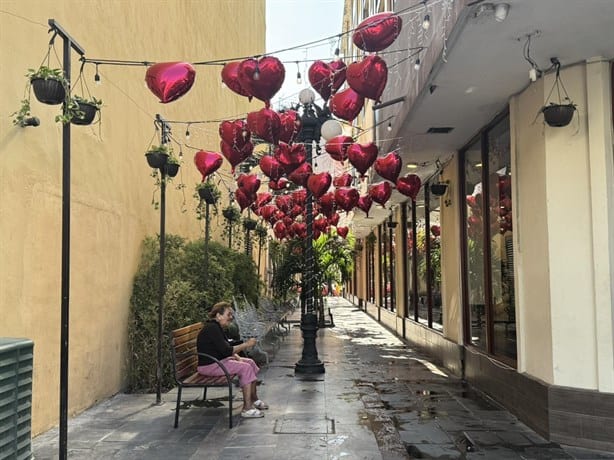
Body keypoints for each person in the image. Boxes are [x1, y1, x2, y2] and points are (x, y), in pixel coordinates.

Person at [196, 301, 268, 418]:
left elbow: (224, 346)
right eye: (228, 314)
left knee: (250, 362)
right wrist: (246, 345)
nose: (231, 318)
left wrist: (239, 357)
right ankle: (247, 409)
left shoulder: (217, 327)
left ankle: (254, 399)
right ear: (218, 316)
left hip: (217, 361)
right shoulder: (212, 329)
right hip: (209, 365)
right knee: (245, 368)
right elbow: (226, 350)